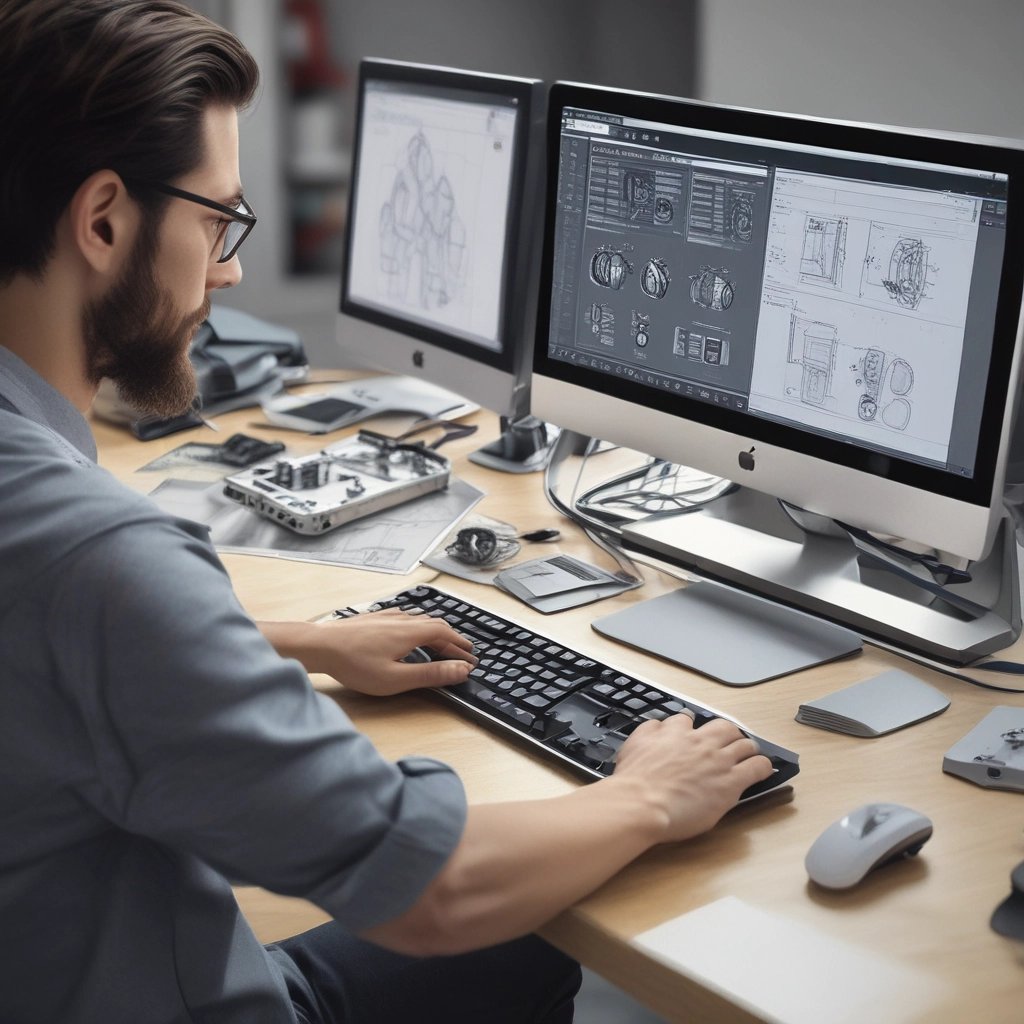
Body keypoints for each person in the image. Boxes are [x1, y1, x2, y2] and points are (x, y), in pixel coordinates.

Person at [0, 2, 774, 1022]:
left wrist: (293, 641)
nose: (226, 271)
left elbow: (48, 653)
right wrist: (646, 792)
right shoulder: (98, 560)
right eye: (215, 221)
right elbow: (431, 892)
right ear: (102, 220)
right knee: (520, 943)